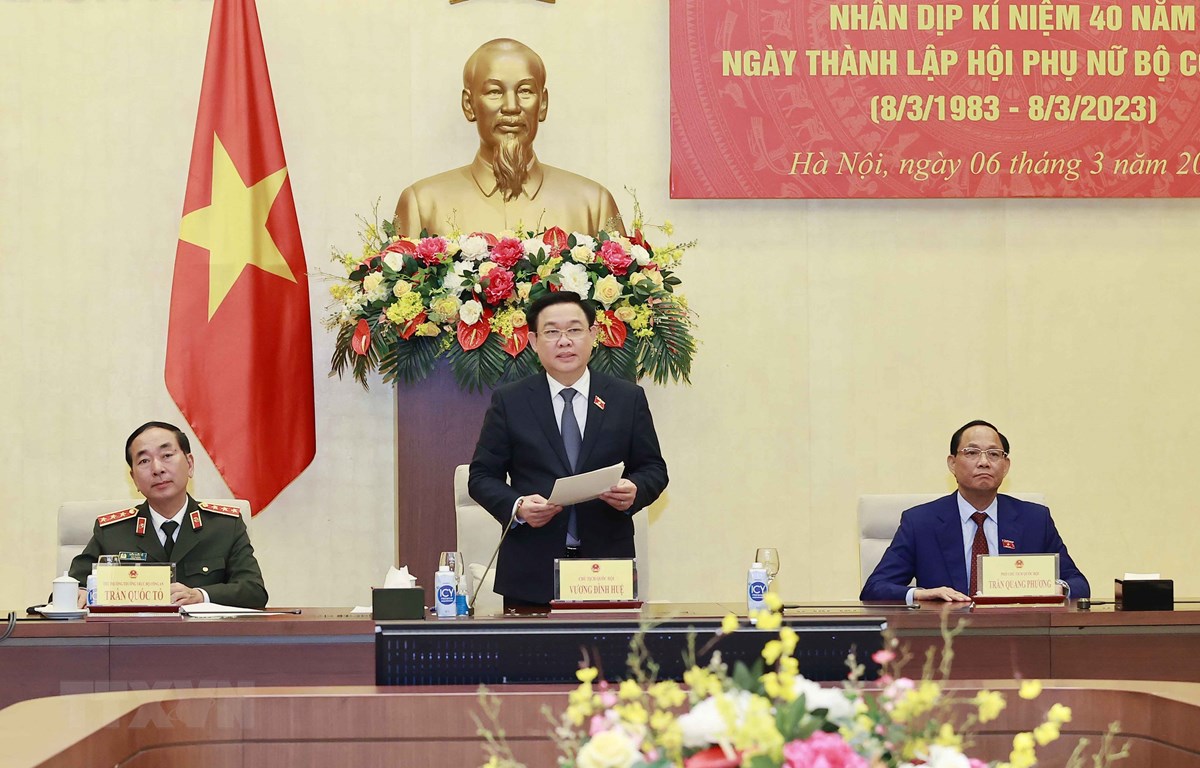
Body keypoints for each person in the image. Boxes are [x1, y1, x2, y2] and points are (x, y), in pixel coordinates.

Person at [468, 291, 668, 607]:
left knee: (606, 644)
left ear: (593, 334)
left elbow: (654, 469)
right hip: (531, 571)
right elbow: (481, 476)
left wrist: (635, 490)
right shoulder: (510, 401)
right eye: (551, 332)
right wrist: (518, 506)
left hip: (606, 571)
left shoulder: (626, 398)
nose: (564, 341)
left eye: (574, 330)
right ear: (533, 341)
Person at [395, 38, 622, 237]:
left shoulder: (593, 205)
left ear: (543, 104)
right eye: (494, 92)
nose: (512, 107)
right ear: (469, 105)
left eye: (525, 91)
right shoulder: (422, 204)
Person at [860, 420, 1089, 603]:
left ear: (1006, 466)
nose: (984, 462)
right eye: (971, 453)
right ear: (952, 463)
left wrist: (1057, 588)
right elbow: (875, 588)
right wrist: (921, 594)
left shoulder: (1035, 520)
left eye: (994, 454)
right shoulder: (920, 522)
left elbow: (1079, 584)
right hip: (946, 635)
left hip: (1016, 634)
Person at [68, 422, 268, 609]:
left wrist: (200, 596)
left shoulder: (225, 526)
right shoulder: (112, 532)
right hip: (135, 635)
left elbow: (254, 591)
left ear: (189, 464)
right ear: (134, 479)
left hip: (203, 635)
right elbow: (69, 589)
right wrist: (81, 592)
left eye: (166, 455)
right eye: (144, 461)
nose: (157, 469)